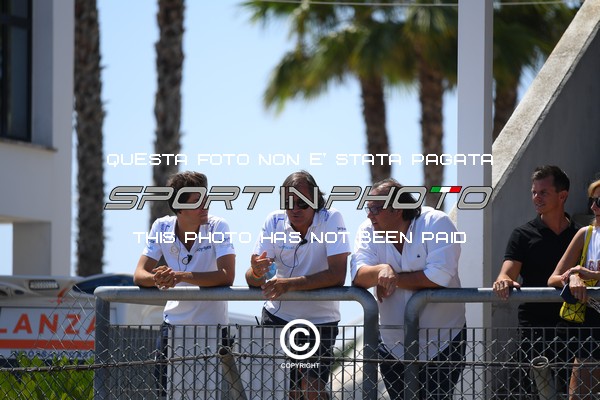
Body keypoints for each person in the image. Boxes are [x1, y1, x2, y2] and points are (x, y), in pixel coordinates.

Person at [351, 178, 466, 400]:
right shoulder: (367, 229)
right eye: (368, 208)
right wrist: (382, 270)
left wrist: (391, 279)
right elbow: (358, 276)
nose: (369, 215)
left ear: (397, 209)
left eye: (375, 208)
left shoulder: (436, 222)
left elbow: (440, 276)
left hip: (444, 341)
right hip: (392, 345)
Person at [246, 170, 350, 400]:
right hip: (278, 317)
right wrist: (256, 272)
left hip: (321, 321)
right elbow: (252, 279)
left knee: (312, 390)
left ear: (316, 200)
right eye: (288, 202)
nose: (295, 209)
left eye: (302, 202)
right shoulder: (273, 221)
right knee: (287, 392)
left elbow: (338, 275)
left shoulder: (332, 219)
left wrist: (289, 285)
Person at [133, 171, 235, 400]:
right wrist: (161, 278)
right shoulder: (161, 226)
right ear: (179, 207)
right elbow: (139, 274)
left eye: (206, 198)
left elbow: (227, 276)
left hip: (213, 328)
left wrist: (179, 276)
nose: (205, 205)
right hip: (173, 327)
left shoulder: (218, 226)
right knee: (166, 395)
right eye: (197, 200)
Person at [493, 165, 578, 398]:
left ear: (562, 196)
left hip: (575, 328)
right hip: (534, 330)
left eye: (543, 192)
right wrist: (502, 280)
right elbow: (506, 273)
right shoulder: (522, 235)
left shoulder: (581, 235)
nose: (536, 198)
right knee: (536, 393)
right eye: (534, 192)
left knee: (574, 393)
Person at [548, 178, 600, 399]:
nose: (593, 207)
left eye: (599, 201)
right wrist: (572, 277)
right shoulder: (586, 233)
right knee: (578, 396)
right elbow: (553, 278)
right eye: (592, 201)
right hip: (593, 325)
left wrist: (593, 275)